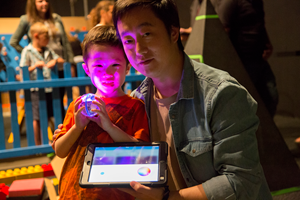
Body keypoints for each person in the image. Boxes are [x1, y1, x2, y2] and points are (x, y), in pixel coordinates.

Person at [54, 0, 272, 199]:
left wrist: (166, 198)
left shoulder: (221, 94)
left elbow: (241, 182)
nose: (138, 50)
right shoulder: (139, 100)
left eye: (147, 34)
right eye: (128, 40)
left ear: (173, 32)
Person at [52, 25, 150, 200]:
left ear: (127, 66)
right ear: (87, 69)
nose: (107, 73)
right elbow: (60, 151)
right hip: (73, 193)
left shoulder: (135, 107)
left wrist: (110, 127)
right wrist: (77, 127)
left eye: (115, 65)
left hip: (116, 195)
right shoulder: (78, 105)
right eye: (98, 65)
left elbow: (140, 151)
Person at [185, 0, 278, 117]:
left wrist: (266, 41)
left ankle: (263, 134)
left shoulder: (256, 2)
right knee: (244, 105)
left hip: (258, 58)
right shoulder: (229, 2)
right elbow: (221, 29)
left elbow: (258, 22)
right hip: (241, 61)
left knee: (270, 98)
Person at [10, 0, 74, 118]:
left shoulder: (56, 18)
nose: (44, 3)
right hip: (43, 70)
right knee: (42, 110)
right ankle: (47, 134)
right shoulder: (26, 19)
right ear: (33, 3)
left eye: (46, 1)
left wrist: (70, 63)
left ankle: (62, 133)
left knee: (59, 103)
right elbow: (13, 42)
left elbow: (65, 42)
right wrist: (30, 54)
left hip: (59, 65)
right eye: (40, 1)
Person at [19, 22, 64, 145]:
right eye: (46, 37)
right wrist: (34, 66)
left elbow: (61, 60)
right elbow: (23, 69)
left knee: (49, 115)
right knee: (37, 118)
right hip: (35, 90)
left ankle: (50, 142)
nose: (48, 40)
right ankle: (38, 144)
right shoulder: (27, 51)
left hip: (49, 88)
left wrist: (54, 61)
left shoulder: (48, 50)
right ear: (36, 36)